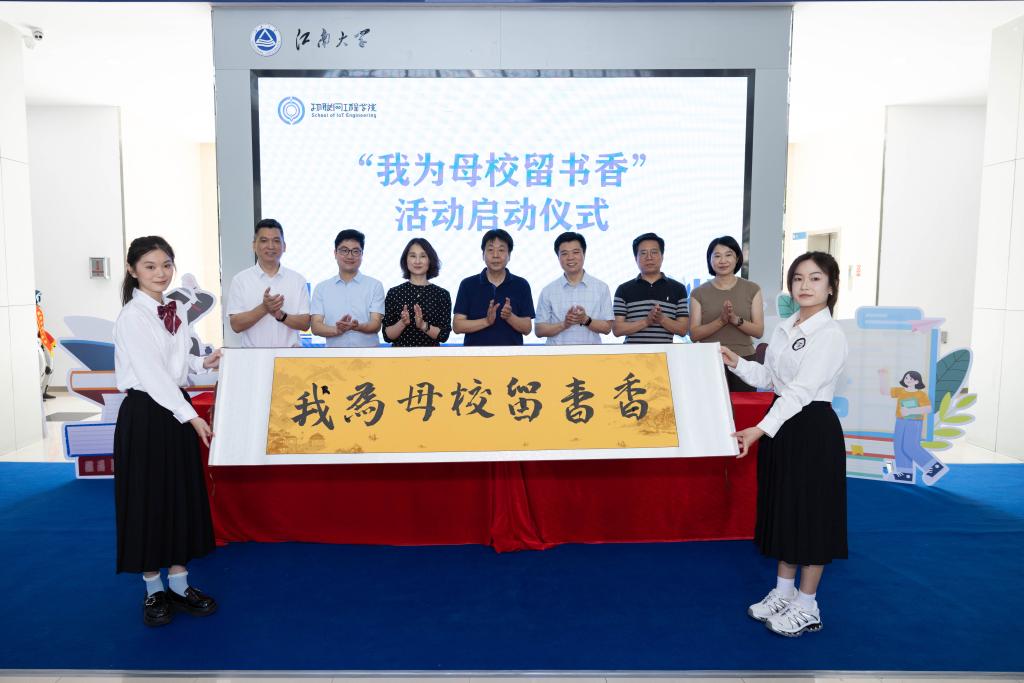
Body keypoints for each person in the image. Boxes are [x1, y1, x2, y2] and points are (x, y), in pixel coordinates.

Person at [722, 251, 848, 638]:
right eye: (798, 278)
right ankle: (783, 592)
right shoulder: (786, 326)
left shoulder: (829, 335)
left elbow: (800, 392)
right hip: (783, 427)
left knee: (810, 517)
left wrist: (758, 429)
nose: (805, 286)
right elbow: (771, 380)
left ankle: (808, 606)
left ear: (831, 287)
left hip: (811, 430)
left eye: (815, 278)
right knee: (785, 511)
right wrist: (735, 362)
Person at [112, 235, 221, 627]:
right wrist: (190, 416)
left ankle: (179, 583)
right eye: (150, 266)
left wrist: (205, 363)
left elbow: (177, 367)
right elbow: (152, 375)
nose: (160, 273)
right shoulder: (132, 316)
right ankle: (152, 589)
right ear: (132, 270)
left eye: (166, 265)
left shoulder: (174, 308)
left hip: (174, 410)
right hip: (146, 414)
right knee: (147, 499)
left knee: (179, 496)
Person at [689, 236, 764, 391]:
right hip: (710, 359)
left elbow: (758, 331)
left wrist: (735, 320)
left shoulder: (752, 289)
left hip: (744, 360)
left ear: (737, 258)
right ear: (710, 260)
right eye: (717, 256)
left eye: (728, 255)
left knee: (744, 405)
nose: (723, 260)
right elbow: (694, 334)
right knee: (710, 404)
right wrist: (721, 321)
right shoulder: (698, 293)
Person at [225, 218, 311, 347]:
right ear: (254, 245)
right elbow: (236, 325)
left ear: (284, 246)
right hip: (252, 357)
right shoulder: (240, 280)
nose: (270, 246)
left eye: (276, 241)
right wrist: (264, 308)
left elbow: (305, 324)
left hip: (288, 356)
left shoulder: (298, 280)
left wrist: (281, 315)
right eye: (264, 240)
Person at [453, 228, 534, 345]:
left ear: (509, 255)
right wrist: (486, 321)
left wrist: (510, 317)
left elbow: (527, 328)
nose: (495, 255)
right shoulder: (468, 284)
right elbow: (457, 326)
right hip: (475, 355)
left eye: (501, 250)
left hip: (511, 355)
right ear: (483, 255)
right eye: (490, 250)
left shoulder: (521, 284)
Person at [310, 229, 385, 347]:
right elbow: (315, 326)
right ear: (335, 253)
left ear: (362, 254)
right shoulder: (322, 288)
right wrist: (337, 330)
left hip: (368, 354)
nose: (350, 256)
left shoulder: (375, 286)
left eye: (355, 251)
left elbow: (376, 324)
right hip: (334, 355)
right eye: (344, 250)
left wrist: (358, 327)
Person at [535, 232, 613, 345]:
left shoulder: (601, 288)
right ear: (558, 257)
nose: (570, 257)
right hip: (557, 354)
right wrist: (564, 324)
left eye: (575, 252)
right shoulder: (548, 291)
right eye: (564, 253)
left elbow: (607, 328)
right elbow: (539, 330)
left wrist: (585, 320)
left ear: (584, 254)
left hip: (591, 354)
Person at [612, 232, 689, 343]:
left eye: (654, 252)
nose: (649, 257)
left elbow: (683, 330)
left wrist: (662, 319)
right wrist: (646, 321)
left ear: (662, 256)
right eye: (643, 253)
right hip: (632, 353)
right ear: (636, 258)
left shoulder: (678, 289)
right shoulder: (624, 289)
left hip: (665, 353)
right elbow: (617, 329)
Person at [878, 368, 948, 485]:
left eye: (911, 378)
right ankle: (905, 473)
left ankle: (934, 467)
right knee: (899, 447)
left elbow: (928, 409)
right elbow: (884, 391)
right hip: (900, 421)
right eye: (906, 378)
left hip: (914, 422)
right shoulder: (900, 391)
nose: (908, 380)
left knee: (910, 446)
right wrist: (882, 376)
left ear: (917, 381)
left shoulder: (921, 394)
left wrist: (911, 411)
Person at [383, 238, 452, 347]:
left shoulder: (442, 294)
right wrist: (402, 323)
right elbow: (387, 336)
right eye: (413, 256)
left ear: (430, 260)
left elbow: (443, 335)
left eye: (423, 256)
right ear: (406, 260)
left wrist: (423, 325)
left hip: (431, 356)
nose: (417, 261)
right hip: (400, 355)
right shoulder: (394, 293)